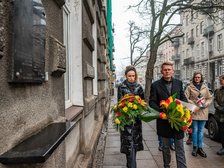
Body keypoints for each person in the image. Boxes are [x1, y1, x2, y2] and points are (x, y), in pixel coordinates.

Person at [149, 62, 187, 168]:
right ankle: (167, 165)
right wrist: (161, 113)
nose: (167, 71)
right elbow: (152, 102)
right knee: (165, 148)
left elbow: (183, 98)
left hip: (178, 121)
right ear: (161, 71)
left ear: (172, 71)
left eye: (169, 69)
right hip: (163, 122)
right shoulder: (155, 85)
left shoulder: (179, 83)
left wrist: (184, 109)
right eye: (165, 69)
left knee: (180, 148)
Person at [117, 65, 144, 168]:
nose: (131, 78)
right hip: (126, 121)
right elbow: (119, 103)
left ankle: (131, 165)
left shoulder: (139, 87)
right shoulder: (121, 87)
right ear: (126, 76)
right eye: (129, 76)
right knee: (129, 147)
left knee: (134, 146)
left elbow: (143, 102)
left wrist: (139, 108)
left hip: (136, 122)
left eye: (133, 76)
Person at [185, 72, 213, 158]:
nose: (197, 78)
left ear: (201, 78)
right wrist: (194, 103)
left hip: (203, 111)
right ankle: (195, 147)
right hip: (194, 111)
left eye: (199, 77)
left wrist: (206, 103)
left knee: (201, 130)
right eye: (196, 77)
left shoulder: (205, 88)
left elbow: (209, 98)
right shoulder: (189, 87)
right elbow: (186, 97)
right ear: (193, 78)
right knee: (195, 130)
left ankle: (200, 148)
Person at [214, 75, 224, 155]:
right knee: (222, 133)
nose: (220, 81)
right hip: (220, 115)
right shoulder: (217, 90)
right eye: (220, 80)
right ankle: (223, 148)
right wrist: (219, 108)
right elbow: (215, 100)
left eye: (222, 80)